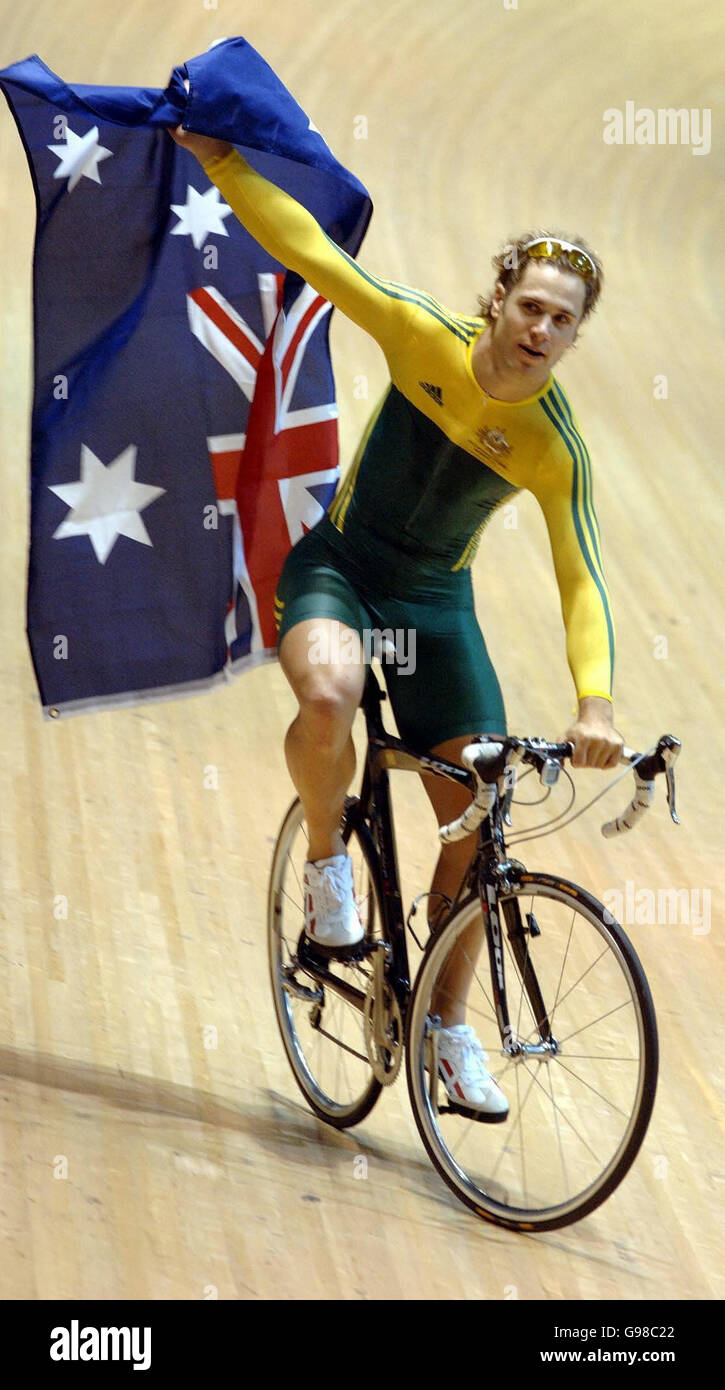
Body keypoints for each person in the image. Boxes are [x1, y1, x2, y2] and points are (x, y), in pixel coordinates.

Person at [169, 124, 624, 1118]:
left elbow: (578, 578)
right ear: (497, 299)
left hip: (431, 609)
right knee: (328, 692)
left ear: (572, 337)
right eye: (530, 305)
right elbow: (312, 253)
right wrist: (222, 164)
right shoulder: (420, 334)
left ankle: (445, 1028)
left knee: (479, 812)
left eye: (562, 321)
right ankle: (328, 864)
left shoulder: (554, 449)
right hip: (341, 569)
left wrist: (593, 700)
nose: (540, 328)